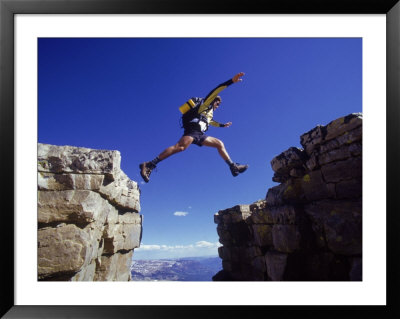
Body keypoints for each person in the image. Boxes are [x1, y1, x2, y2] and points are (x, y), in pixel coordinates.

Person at [139, 72, 248, 183]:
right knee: (180, 147)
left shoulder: (209, 114)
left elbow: (211, 122)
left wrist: (222, 125)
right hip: (192, 130)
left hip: (200, 135)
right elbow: (216, 90)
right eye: (217, 102)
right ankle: (149, 164)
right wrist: (231, 81)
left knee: (219, 144)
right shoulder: (205, 104)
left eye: (219, 104)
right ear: (213, 100)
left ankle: (233, 166)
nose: (218, 105)